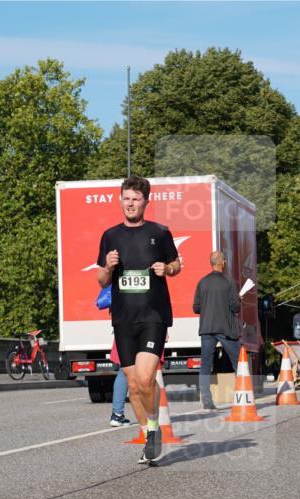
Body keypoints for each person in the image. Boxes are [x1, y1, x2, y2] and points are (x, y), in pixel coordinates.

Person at [97, 175, 181, 464]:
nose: (129, 203)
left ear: (146, 201)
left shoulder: (160, 232)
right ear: (120, 200)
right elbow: (100, 280)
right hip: (122, 318)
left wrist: (167, 269)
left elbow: (177, 264)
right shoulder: (110, 235)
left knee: (146, 379)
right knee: (133, 385)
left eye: (135, 199)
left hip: (154, 315)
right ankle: (148, 434)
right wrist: (107, 267)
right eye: (125, 198)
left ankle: (155, 426)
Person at [193, 251, 242, 410]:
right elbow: (235, 307)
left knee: (206, 365)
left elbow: (196, 308)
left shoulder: (202, 282)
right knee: (239, 362)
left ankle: (207, 401)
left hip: (206, 329)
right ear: (222, 263)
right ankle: (242, 396)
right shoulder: (228, 282)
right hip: (225, 328)